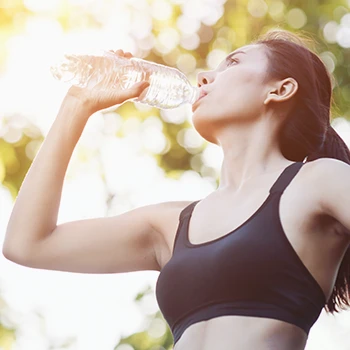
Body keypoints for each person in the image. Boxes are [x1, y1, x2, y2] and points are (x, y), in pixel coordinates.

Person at [3, 29, 350, 350]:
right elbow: (28, 244)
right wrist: (77, 104)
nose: (205, 77)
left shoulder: (320, 181)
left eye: (233, 63)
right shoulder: (169, 225)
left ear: (280, 90)